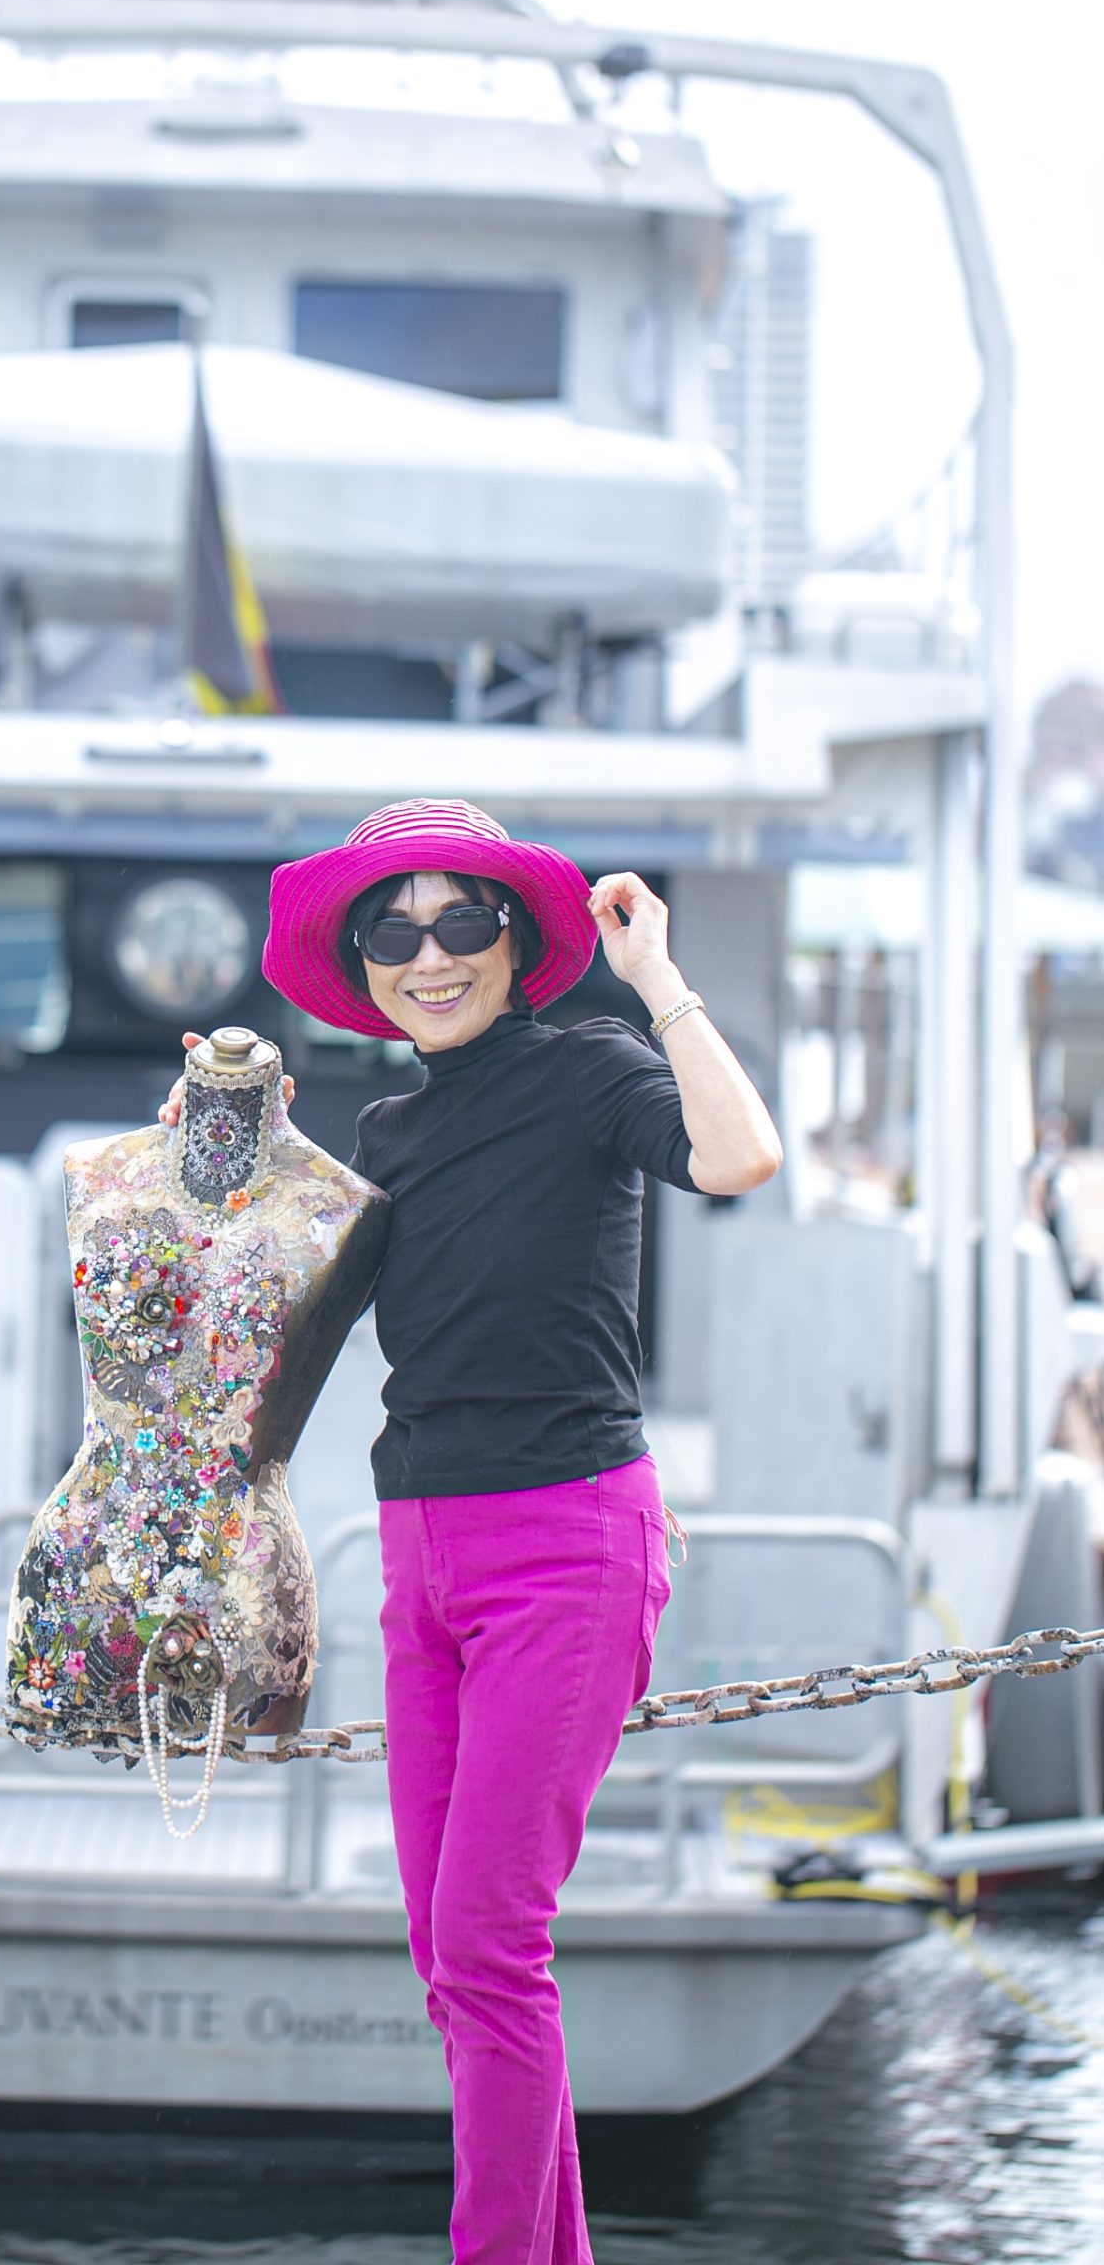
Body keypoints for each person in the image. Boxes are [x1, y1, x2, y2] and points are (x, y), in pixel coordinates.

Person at [161, 798, 782, 2265]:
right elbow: (278, 1328)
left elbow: (740, 1157)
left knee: (494, 1946)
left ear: (515, 941)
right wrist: (225, 1154)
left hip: (566, 1544)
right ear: (361, 964)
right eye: (394, 931)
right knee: (452, 1958)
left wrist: (657, 978)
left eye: (462, 921)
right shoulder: (387, 1132)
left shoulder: (594, 1067)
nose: (429, 955)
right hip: (420, 1557)